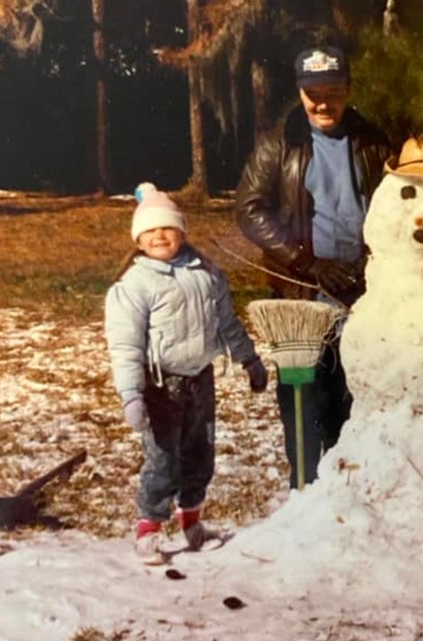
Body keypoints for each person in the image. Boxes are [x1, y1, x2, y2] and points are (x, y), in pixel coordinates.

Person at [235, 44, 393, 489]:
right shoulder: (278, 142)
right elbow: (249, 209)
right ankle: (304, 495)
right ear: (300, 92)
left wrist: (371, 262)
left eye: (333, 90)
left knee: (354, 393)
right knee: (303, 397)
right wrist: (307, 262)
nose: (324, 102)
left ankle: (347, 490)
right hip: (302, 294)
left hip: (363, 292)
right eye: (313, 93)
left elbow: (392, 204)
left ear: (348, 89)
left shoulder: (371, 139)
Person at [105, 182, 269, 565]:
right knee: (163, 458)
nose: (160, 235)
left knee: (200, 453)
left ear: (181, 231)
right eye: (150, 230)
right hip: (161, 386)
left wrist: (250, 359)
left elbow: (227, 323)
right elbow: (125, 345)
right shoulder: (134, 285)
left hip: (200, 378)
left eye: (167, 228)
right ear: (138, 239)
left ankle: (191, 523)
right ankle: (149, 528)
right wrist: (131, 394)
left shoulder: (207, 274)